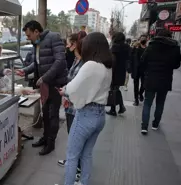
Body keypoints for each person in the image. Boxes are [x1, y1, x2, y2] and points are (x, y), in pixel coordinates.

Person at [58, 32, 112, 185]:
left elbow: (73, 87)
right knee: (87, 155)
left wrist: (65, 91)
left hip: (86, 115)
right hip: (100, 116)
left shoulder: (90, 65)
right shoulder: (107, 67)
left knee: (72, 156)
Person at [16, 20, 68, 155]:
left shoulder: (53, 38)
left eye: (29, 35)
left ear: (36, 32)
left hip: (55, 83)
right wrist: (25, 71)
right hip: (44, 84)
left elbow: (60, 61)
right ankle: (45, 138)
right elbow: (37, 63)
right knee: (45, 112)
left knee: (53, 114)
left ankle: (51, 142)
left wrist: (45, 77)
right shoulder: (36, 44)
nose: (28, 38)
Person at [57, 31, 87, 181]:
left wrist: (66, 93)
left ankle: (77, 169)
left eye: (69, 43)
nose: (67, 46)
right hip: (69, 104)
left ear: (75, 44)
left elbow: (80, 87)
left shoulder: (84, 64)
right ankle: (71, 162)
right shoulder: (76, 60)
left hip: (76, 107)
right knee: (71, 136)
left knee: (77, 139)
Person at [140, 30, 181, 135]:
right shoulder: (175, 48)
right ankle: (155, 124)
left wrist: (147, 71)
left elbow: (143, 60)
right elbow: (177, 65)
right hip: (165, 80)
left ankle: (144, 126)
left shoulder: (151, 46)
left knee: (147, 102)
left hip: (151, 78)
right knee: (160, 103)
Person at [106, 32, 129, 116]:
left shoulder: (115, 47)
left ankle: (114, 110)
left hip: (114, 71)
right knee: (116, 89)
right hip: (122, 71)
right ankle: (120, 107)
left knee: (113, 90)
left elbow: (112, 60)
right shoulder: (127, 47)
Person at [130, 35, 147, 106]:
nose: (143, 39)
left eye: (144, 38)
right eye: (141, 38)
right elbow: (131, 57)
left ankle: (140, 93)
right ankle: (136, 99)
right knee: (136, 85)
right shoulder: (135, 48)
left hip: (145, 70)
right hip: (136, 69)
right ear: (139, 40)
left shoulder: (148, 48)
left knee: (144, 85)